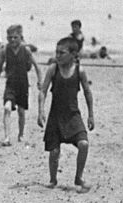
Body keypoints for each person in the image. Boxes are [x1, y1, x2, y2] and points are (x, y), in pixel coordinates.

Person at [37, 37, 94, 192]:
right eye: (56, 52)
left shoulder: (79, 71)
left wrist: (91, 115)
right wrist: (41, 111)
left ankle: (79, 177)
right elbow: (42, 91)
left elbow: (88, 93)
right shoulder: (53, 69)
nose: (58, 55)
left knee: (84, 144)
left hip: (73, 115)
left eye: (62, 53)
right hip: (55, 116)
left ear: (73, 54)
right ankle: (53, 179)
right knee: (54, 152)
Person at [0, 24, 42, 146]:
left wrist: (40, 81)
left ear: (21, 37)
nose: (12, 40)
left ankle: (21, 134)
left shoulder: (26, 50)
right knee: (7, 108)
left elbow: (37, 67)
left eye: (15, 37)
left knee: (21, 111)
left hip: (23, 85)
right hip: (10, 84)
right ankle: (7, 137)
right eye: (10, 37)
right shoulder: (5, 50)